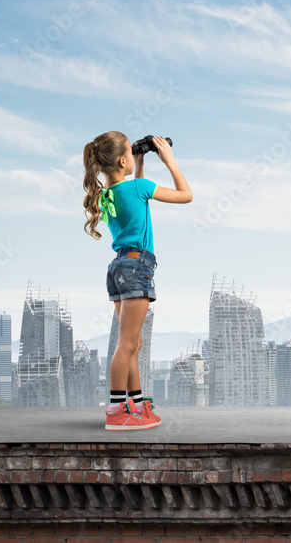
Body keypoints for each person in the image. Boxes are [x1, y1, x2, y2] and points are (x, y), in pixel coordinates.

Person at [82, 132, 192, 430]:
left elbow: (135, 200)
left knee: (134, 342)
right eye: (130, 153)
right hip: (137, 266)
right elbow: (186, 195)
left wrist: (139, 161)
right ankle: (118, 410)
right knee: (127, 342)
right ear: (121, 160)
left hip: (119, 266)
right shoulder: (140, 187)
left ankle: (136, 403)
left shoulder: (106, 195)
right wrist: (169, 160)